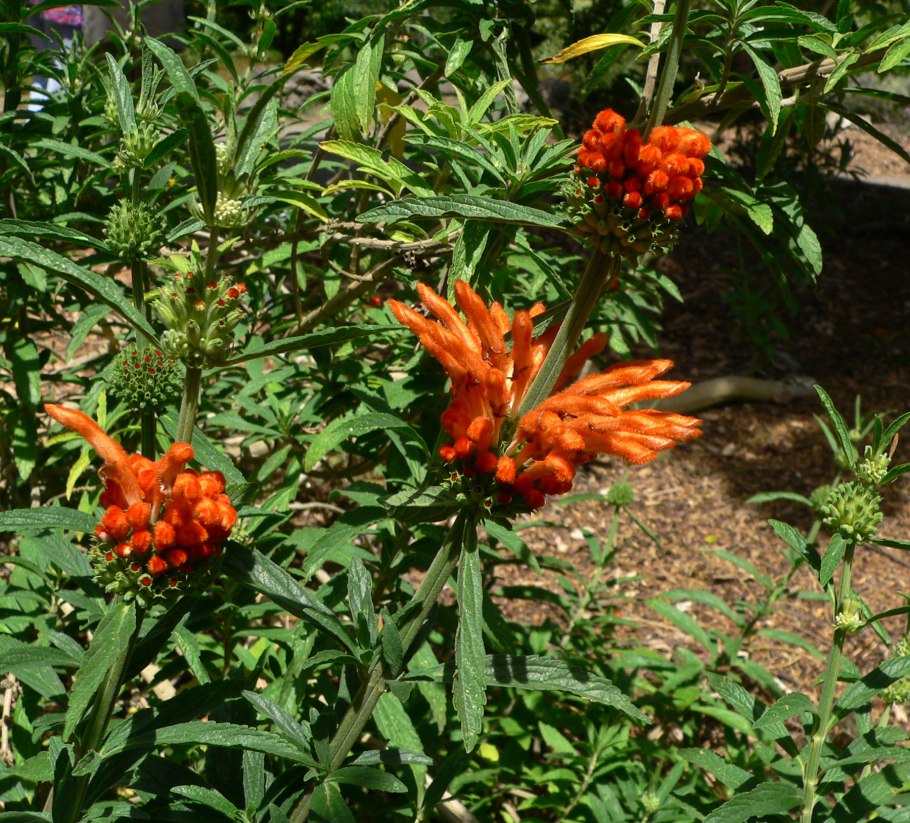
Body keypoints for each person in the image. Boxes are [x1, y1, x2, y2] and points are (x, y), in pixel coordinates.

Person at [27, 4, 82, 110]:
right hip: (62, 11)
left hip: (30, 8)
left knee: (43, 67)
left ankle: (34, 121)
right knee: (61, 72)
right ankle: (54, 120)